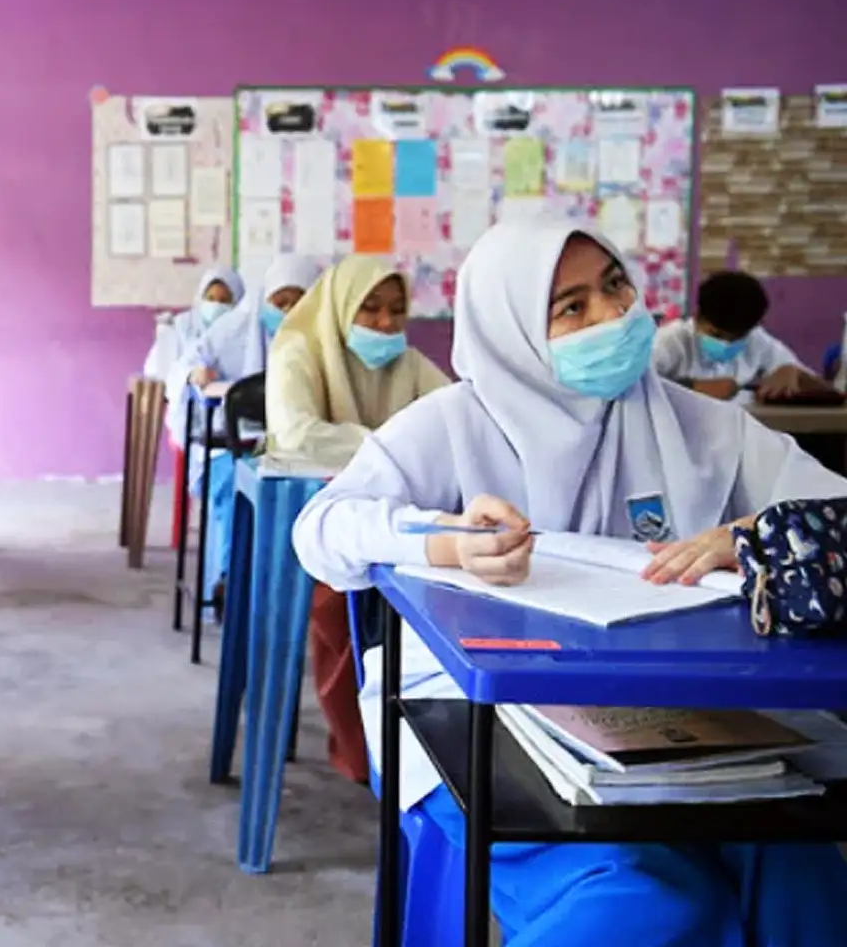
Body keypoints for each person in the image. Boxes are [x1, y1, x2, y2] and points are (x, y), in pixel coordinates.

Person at [293, 219, 847, 947]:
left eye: (616, 286)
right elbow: (322, 529)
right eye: (573, 308)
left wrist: (755, 536)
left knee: (802, 875)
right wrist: (446, 542)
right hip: (480, 721)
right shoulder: (454, 423)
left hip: (679, 709)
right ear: (513, 329)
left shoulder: (703, 427)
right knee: (652, 900)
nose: (614, 315)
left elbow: (834, 511)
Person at [264, 256, 449, 783]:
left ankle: (414, 749)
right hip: (313, 519)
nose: (385, 324)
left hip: (392, 518)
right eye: (370, 308)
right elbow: (298, 435)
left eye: (396, 310)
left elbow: (458, 420)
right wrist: (392, 449)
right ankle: (362, 749)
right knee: (340, 607)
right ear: (341, 307)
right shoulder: (299, 350)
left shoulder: (408, 364)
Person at [168, 253, 317, 608]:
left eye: (298, 303)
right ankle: (232, 585)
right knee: (237, 493)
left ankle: (287, 600)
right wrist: (194, 374)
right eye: (280, 302)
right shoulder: (232, 330)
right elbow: (186, 364)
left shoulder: (321, 339)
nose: (287, 312)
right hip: (227, 449)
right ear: (264, 300)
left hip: (300, 453)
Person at [652, 269, 827, 402]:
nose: (726, 344)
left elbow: (825, 389)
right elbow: (637, 386)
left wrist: (792, 372)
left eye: (737, 337)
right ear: (697, 317)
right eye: (716, 334)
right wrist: (693, 387)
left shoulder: (756, 339)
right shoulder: (670, 341)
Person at [142, 265, 244, 381]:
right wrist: (190, 374)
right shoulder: (182, 325)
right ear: (202, 298)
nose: (216, 305)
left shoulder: (243, 332)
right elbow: (157, 369)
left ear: (236, 303)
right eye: (210, 298)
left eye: (224, 300)